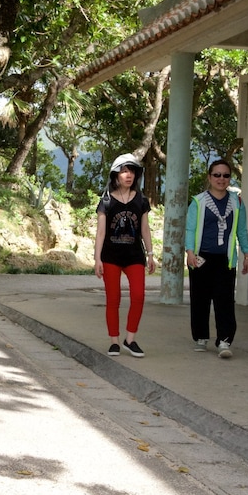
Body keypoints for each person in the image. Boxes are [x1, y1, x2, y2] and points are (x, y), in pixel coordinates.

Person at [185, 159, 248, 359]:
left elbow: (241, 230)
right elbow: (190, 228)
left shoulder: (237, 202)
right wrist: (189, 252)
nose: (221, 179)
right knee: (200, 299)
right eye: (217, 175)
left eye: (225, 175)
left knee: (224, 300)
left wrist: (246, 253)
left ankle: (225, 340)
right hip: (202, 258)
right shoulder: (198, 201)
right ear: (209, 177)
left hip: (225, 259)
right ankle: (201, 337)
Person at [94, 153, 156, 358]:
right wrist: (97, 259)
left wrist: (151, 253)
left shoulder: (141, 200)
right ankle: (114, 341)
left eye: (132, 171)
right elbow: (101, 232)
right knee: (113, 299)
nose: (128, 175)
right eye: (124, 171)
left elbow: (145, 229)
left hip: (134, 256)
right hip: (111, 256)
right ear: (115, 175)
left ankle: (130, 339)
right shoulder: (106, 200)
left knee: (138, 296)